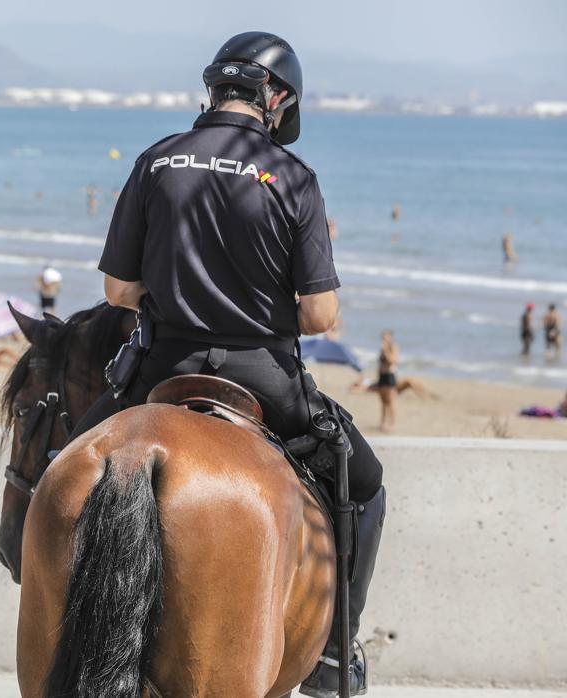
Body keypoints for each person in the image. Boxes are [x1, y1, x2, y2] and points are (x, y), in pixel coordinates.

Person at [65, 32, 385, 696]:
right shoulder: (293, 177)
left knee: (61, 475)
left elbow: (118, 294)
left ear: (214, 90)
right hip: (260, 371)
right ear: (278, 100)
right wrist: (259, 314)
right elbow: (322, 317)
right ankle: (331, 657)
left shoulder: (155, 161)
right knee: (364, 485)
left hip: (161, 366)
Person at [376, 330, 399, 432]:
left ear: (390, 337)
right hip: (382, 376)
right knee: (383, 401)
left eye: (386, 337)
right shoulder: (382, 348)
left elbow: (392, 361)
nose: (384, 339)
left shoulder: (392, 347)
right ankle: (383, 422)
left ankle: (392, 423)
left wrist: (386, 351)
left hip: (390, 376)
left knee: (390, 401)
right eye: (383, 337)